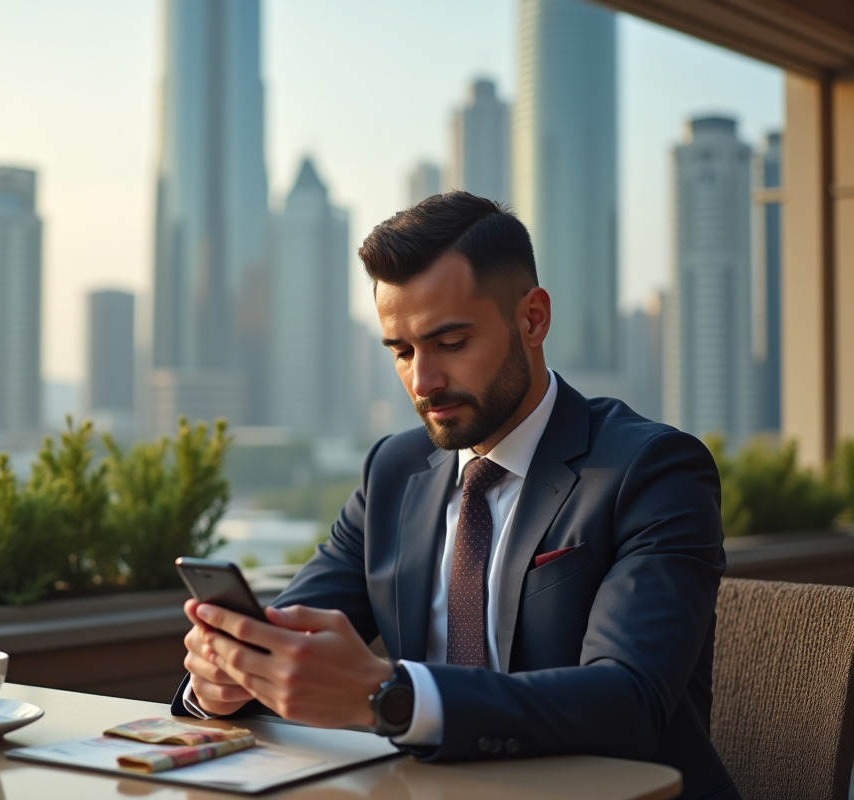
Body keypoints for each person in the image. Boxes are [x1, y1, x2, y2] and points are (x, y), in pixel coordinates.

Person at [171, 192, 737, 800]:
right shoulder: (392, 472)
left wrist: (388, 698)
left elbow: (628, 704)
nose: (423, 381)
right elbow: (288, 633)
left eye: (451, 343)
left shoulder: (651, 470)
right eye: (403, 351)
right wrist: (222, 681)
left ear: (533, 319)